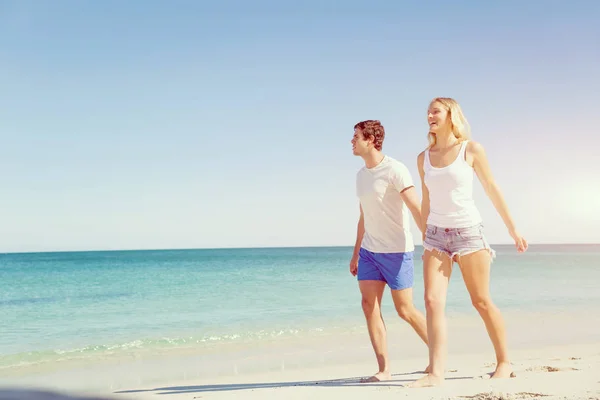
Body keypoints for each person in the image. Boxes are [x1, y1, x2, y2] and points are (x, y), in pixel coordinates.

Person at [408, 97, 528, 388]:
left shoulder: (471, 149)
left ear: (451, 115)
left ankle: (504, 362)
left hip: (468, 233)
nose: (429, 115)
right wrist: (424, 235)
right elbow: (426, 200)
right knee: (432, 301)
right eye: (428, 111)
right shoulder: (423, 157)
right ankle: (436, 373)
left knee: (481, 301)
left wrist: (513, 229)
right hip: (435, 235)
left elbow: (491, 187)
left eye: (435, 111)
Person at [349, 119, 429, 383]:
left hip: (397, 251)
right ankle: (383, 369)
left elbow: (415, 208)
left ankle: (438, 354)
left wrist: (429, 242)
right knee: (368, 305)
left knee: (405, 310)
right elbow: (363, 216)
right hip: (370, 252)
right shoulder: (361, 176)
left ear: (370, 139)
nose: (352, 141)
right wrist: (356, 252)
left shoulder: (396, 170)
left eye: (356, 137)